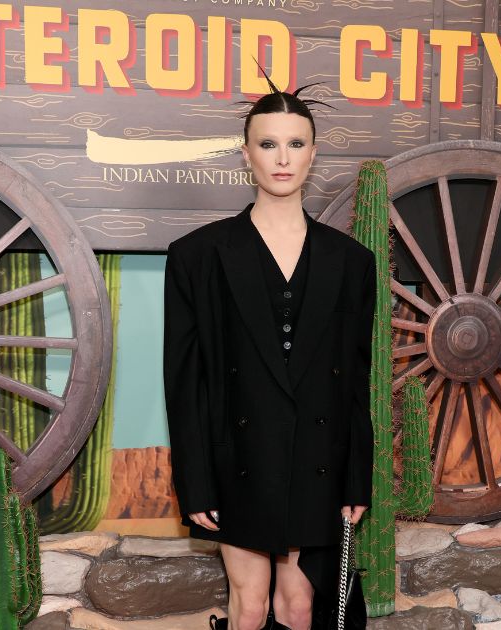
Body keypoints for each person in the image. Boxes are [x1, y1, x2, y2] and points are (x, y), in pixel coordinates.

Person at [163, 78, 377, 630]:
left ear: (314, 152)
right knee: (250, 604)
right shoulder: (196, 256)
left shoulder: (352, 262)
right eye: (268, 144)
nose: (283, 159)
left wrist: (358, 477)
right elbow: (184, 383)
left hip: (318, 456)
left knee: (301, 605)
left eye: (296, 144)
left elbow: (355, 380)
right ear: (246, 154)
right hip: (237, 458)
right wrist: (195, 480)